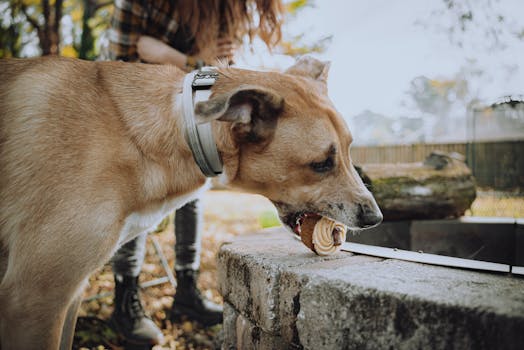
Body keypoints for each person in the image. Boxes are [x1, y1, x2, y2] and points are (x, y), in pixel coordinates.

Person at [107, 0, 284, 346]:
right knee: (135, 189)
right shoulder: (138, 4)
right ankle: (125, 297)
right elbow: (124, 59)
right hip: (131, 109)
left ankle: (186, 290)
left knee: (196, 182)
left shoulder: (220, 10)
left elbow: (213, 77)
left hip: (190, 109)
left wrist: (204, 59)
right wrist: (189, 59)